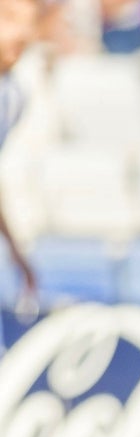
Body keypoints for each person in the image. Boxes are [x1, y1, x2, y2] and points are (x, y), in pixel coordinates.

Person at [0, 0, 39, 322]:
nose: (23, 32)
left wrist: (15, 253)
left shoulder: (13, 96)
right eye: (10, 18)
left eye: (30, 21)